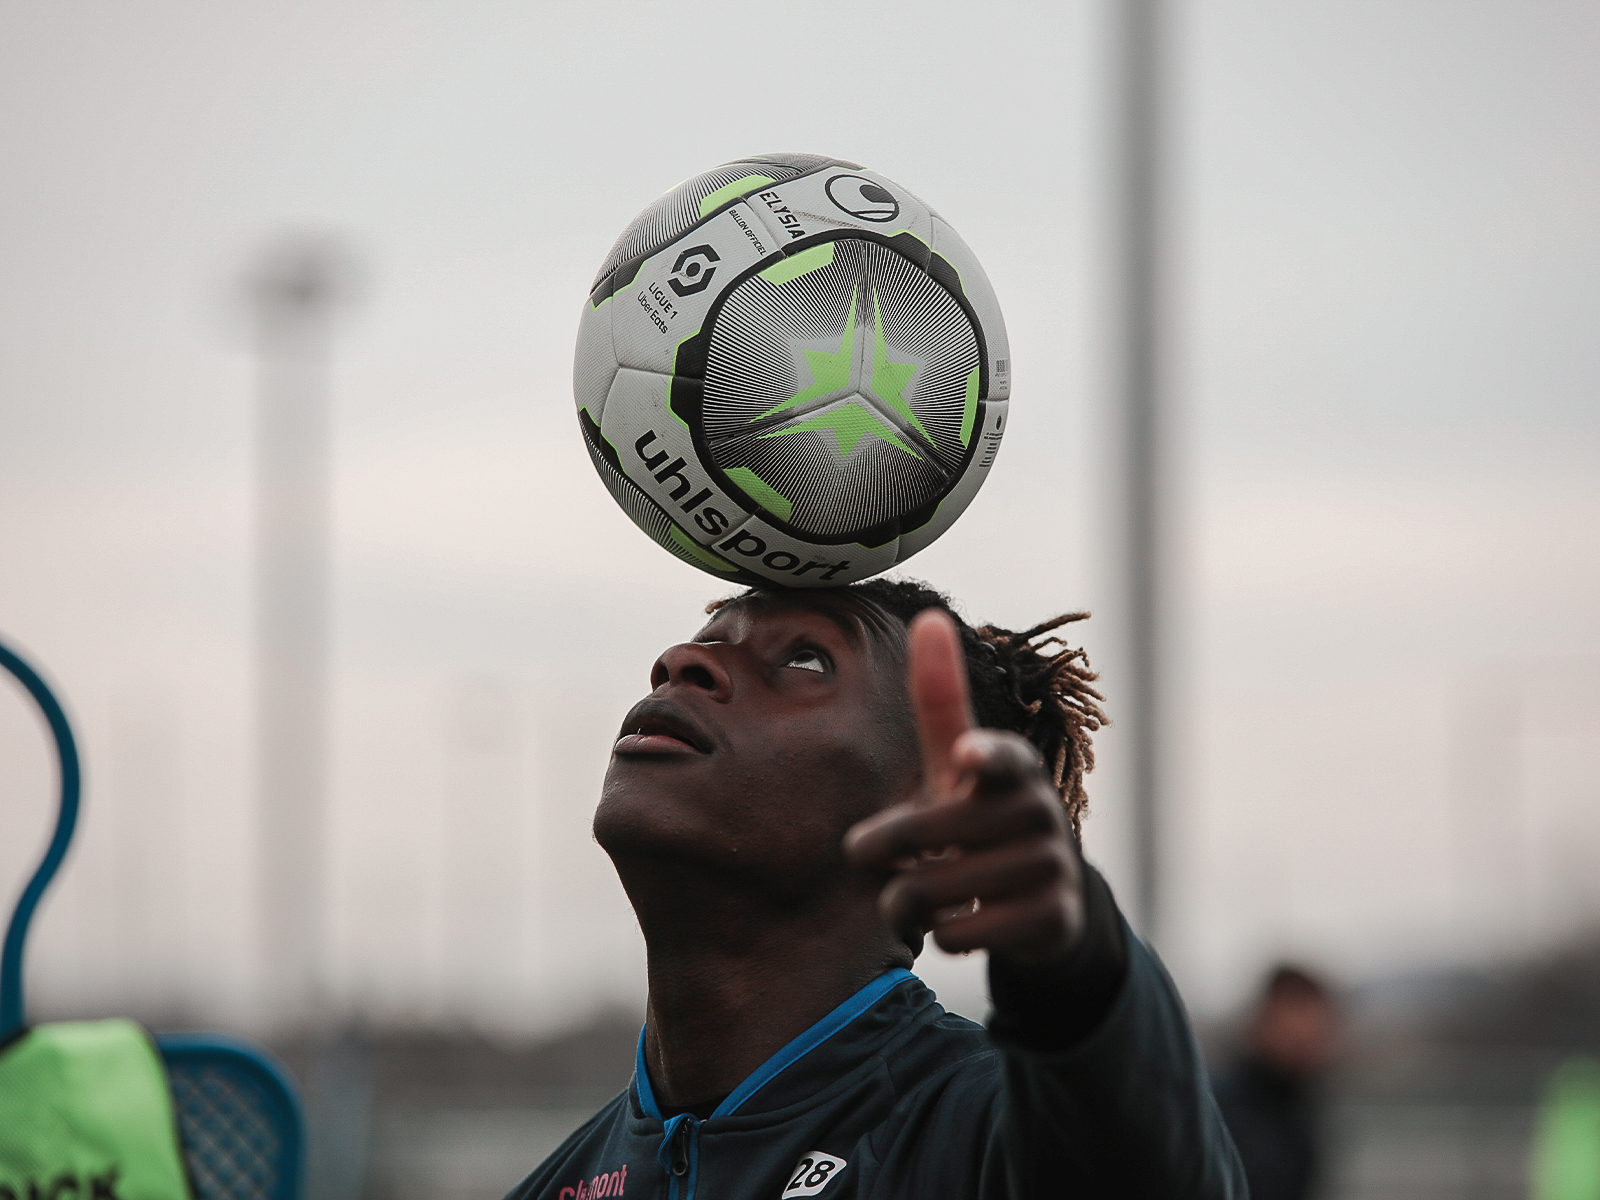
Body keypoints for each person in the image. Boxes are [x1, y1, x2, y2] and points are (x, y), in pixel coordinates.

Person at [505, 578, 1244, 1200]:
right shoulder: (558, 1183)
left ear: (930, 815)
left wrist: (1082, 967)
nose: (684, 661)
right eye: (708, 637)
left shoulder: (978, 1140)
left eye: (805, 659)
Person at [1213, 965, 1341, 1200]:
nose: (1308, 1033)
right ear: (1264, 1020)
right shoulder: (1220, 1109)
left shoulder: (1301, 1108)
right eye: (1297, 1014)